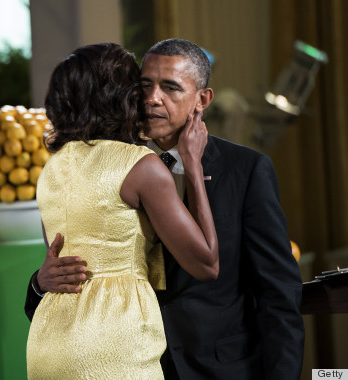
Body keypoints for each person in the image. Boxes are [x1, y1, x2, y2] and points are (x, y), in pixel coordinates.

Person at [24, 38, 305, 380]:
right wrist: (41, 283)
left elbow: (278, 294)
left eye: (170, 87)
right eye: (144, 85)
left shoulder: (246, 170)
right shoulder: (105, 163)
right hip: (128, 362)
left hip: (221, 369)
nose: (152, 98)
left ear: (202, 99)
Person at [26, 42, 219, 379]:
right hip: (112, 341)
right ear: (120, 96)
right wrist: (193, 165)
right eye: (138, 87)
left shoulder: (51, 170)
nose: (147, 98)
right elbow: (206, 264)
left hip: (48, 341)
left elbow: (61, 261)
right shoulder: (140, 166)